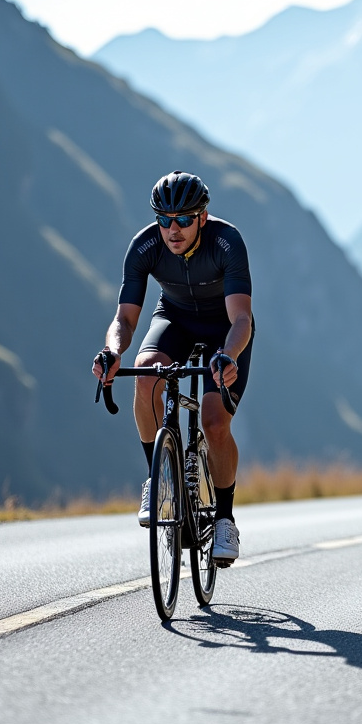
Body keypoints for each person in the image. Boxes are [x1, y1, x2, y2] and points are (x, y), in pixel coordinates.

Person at [92, 171, 254, 567]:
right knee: (146, 373)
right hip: (175, 321)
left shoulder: (226, 242)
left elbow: (241, 320)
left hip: (225, 331)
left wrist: (229, 355)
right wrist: (112, 351)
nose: (173, 229)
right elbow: (125, 320)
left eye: (184, 219)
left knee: (215, 423)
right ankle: (158, 477)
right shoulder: (144, 246)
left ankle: (224, 519)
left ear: (203, 216)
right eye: (165, 219)